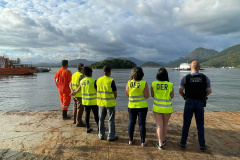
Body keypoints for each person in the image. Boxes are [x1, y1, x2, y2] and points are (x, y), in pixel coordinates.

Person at [178, 61, 212, 151]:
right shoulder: (205, 78)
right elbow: (209, 91)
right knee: (200, 125)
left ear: (190, 67)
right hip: (200, 102)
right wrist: (203, 96)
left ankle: (183, 143)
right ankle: (202, 145)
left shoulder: (186, 78)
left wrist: (185, 96)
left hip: (189, 102)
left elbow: (180, 90)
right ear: (199, 67)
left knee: (186, 124)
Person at [151, 68, 174, 150]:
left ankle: (160, 143)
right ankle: (164, 140)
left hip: (157, 107)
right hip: (167, 108)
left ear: (157, 75)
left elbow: (152, 95)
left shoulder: (154, 84)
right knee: (165, 124)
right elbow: (172, 96)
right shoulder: (170, 84)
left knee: (159, 125)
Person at [126, 67, 149, 147]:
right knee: (142, 123)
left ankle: (130, 140)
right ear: (141, 74)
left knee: (131, 123)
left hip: (131, 106)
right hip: (142, 106)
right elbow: (147, 96)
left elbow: (127, 94)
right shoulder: (144, 83)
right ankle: (143, 141)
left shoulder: (129, 82)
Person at [97, 65, 118, 141]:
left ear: (103, 72)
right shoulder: (111, 80)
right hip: (110, 103)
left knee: (101, 119)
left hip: (101, 103)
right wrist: (114, 98)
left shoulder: (98, 80)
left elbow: (97, 90)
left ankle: (101, 135)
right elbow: (115, 92)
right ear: (110, 72)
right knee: (111, 119)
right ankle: (111, 136)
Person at [80, 66, 99, 133]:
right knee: (96, 115)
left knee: (87, 115)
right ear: (90, 73)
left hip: (85, 101)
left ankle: (87, 128)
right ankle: (99, 127)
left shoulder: (82, 81)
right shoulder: (94, 81)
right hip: (93, 101)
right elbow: (98, 91)